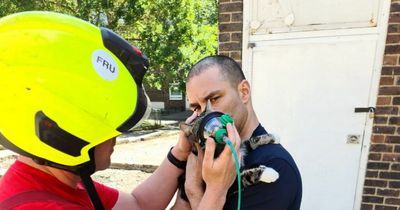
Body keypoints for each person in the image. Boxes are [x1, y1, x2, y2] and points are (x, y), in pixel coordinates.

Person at [0, 11, 240, 210]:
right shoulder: (36, 206)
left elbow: (138, 205)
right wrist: (217, 191)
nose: (116, 136)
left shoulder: (61, 180)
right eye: (107, 126)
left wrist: (180, 152)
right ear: (66, 136)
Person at [178, 55, 303, 210]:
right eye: (197, 108)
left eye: (214, 99)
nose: (206, 116)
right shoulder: (201, 154)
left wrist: (195, 192)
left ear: (244, 92)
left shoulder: (275, 164)